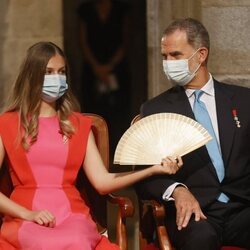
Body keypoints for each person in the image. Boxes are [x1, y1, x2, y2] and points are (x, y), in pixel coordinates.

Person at [0, 41, 182, 250]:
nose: (56, 78)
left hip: (72, 216)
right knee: (42, 243)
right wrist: (27, 214)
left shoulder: (77, 124)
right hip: (25, 217)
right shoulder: (7, 123)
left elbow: (103, 182)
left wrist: (153, 169)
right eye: (48, 72)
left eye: (61, 72)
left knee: (76, 241)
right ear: (31, 75)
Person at [135, 18, 250, 250]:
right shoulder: (155, 109)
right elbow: (144, 175)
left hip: (242, 208)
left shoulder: (244, 100)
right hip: (193, 212)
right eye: (164, 57)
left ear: (201, 54)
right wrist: (176, 191)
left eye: (176, 55)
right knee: (200, 239)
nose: (168, 63)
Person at [77, 0, 131, 155]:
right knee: (92, 107)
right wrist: (96, 67)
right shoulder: (85, 10)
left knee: (118, 109)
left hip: (117, 68)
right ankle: (92, 151)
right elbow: (82, 41)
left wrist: (109, 67)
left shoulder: (121, 9)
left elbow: (126, 40)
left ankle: (119, 153)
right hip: (92, 68)